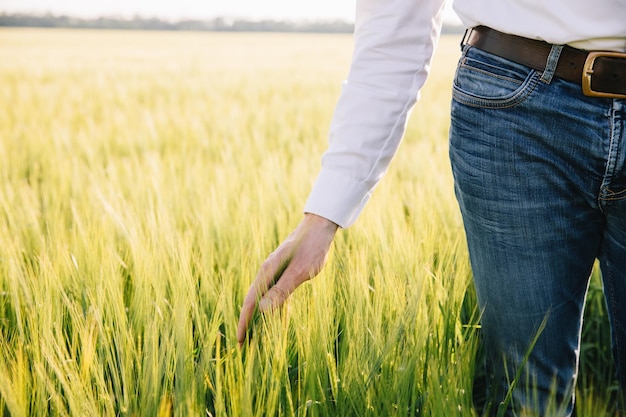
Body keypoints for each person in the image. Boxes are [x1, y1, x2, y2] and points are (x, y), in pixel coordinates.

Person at [236, 0, 626, 415]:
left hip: (512, 104)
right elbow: (395, 24)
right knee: (528, 401)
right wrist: (325, 212)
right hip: (515, 111)